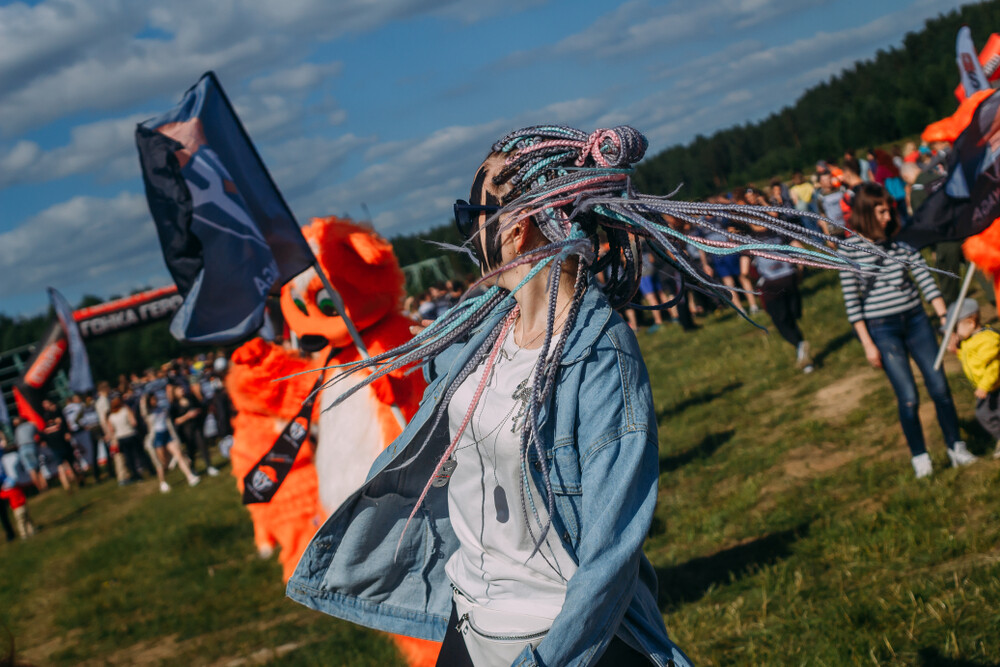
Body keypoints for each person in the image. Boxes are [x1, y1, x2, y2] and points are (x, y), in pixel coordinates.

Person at [287, 125, 858, 666]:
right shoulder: (474, 328)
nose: (466, 231)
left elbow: (612, 547)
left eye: (471, 212)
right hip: (469, 623)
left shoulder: (600, 354)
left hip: (555, 639)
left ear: (515, 228)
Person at [839, 183, 976, 478]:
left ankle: (956, 446)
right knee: (908, 396)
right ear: (865, 213)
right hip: (882, 328)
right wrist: (867, 344)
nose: (888, 217)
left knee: (939, 387)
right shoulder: (849, 249)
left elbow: (925, 280)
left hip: (916, 320)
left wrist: (944, 320)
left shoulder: (901, 241)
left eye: (888, 210)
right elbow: (852, 303)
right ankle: (920, 457)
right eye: (881, 211)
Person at [947, 298, 1000, 459]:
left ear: (970, 323)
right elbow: (970, 361)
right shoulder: (969, 340)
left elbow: (994, 367)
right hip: (987, 388)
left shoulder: (987, 341)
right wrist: (958, 349)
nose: (954, 334)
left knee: (986, 413)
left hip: (993, 387)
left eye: (956, 328)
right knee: (986, 414)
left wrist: (984, 386)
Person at [140, 393, 200, 490]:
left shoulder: (162, 409)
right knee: (163, 463)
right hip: (157, 437)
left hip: (167, 434)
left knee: (179, 454)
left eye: (155, 399)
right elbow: (143, 412)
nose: (154, 401)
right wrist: (143, 400)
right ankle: (162, 482)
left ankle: (190, 477)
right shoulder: (148, 413)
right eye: (152, 400)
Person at [169, 385, 218, 476]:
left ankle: (209, 466)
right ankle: (192, 469)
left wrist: (196, 412)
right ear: (175, 393)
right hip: (186, 430)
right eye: (179, 389)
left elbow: (199, 407)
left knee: (203, 445)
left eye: (182, 388)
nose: (182, 390)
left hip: (196, 426)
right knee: (191, 450)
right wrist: (187, 416)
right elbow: (175, 421)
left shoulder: (190, 398)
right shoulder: (174, 405)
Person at [106, 396, 145, 484]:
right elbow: (133, 422)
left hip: (121, 438)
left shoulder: (111, 416)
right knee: (139, 454)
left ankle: (136, 475)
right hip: (131, 434)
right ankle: (150, 470)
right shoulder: (125, 410)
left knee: (129, 458)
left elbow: (111, 430)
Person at [11, 416, 46, 492]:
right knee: (38, 468)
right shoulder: (31, 425)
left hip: (22, 449)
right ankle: (44, 486)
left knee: (31, 470)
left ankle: (39, 489)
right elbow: (39, 434)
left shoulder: (17, 429)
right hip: (32, 446)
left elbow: (16, 442)